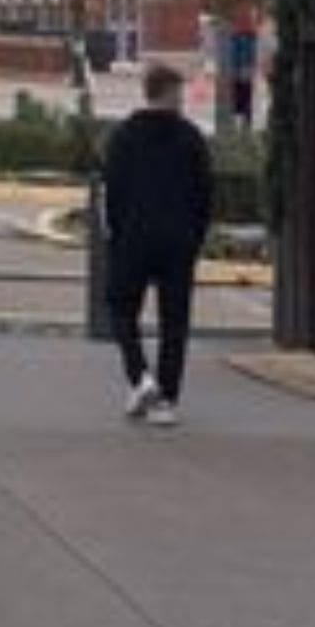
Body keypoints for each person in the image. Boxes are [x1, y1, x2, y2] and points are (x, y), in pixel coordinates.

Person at [103, 64, 213, 428]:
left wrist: (118, 234)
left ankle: (140, 377)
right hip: (178, 242)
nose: (183, 100)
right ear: (167, 93)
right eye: (179, 93)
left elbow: (113, 192)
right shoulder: (191, 138)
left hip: (133, 238)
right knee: (174, 323)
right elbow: (205, 195)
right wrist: (195, 236)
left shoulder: (123, 137)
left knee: (121, 310)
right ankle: (165, 399)